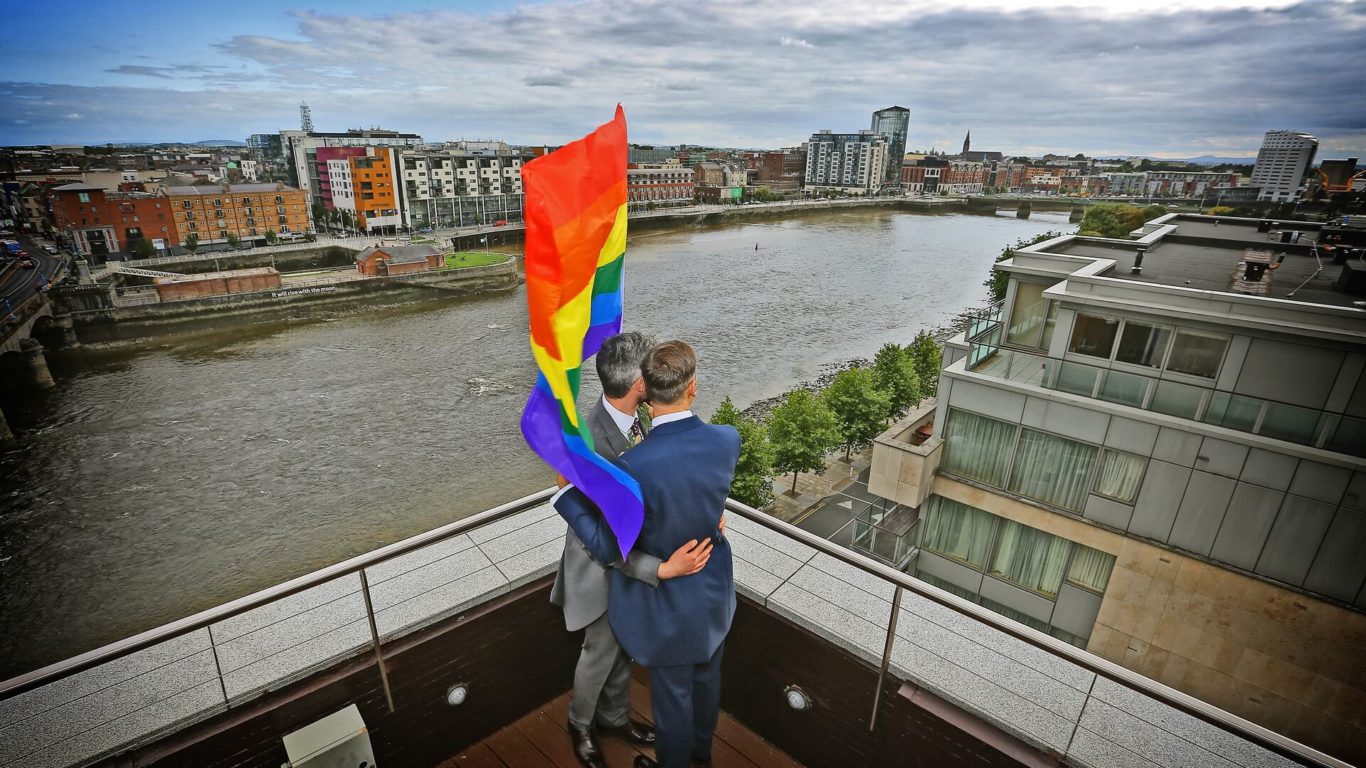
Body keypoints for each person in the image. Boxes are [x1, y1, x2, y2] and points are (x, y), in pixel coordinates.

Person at [555, 341, 740, 768]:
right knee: (602, 652)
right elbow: (601, 546)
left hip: (663, 587)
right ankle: (582, 724)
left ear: (647, 390)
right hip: (625, 573)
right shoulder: (727, 439)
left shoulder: (636, 454)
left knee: (669, 690)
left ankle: (620, 722)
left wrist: (706, 512)